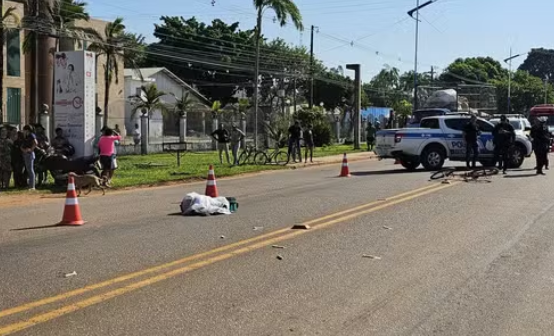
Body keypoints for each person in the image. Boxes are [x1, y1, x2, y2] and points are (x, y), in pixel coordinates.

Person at [20, 125, 38, 190]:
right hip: (25, 154)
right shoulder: (26, 136)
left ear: (27, 130)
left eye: (24, 130)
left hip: (29, 154)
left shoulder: (31, 135)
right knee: (28, 170)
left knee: (30, 170)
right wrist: (23, 149)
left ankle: (32, 186)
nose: (23, 131)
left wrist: (31, 149)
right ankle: (30, 185)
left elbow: (35, 143)